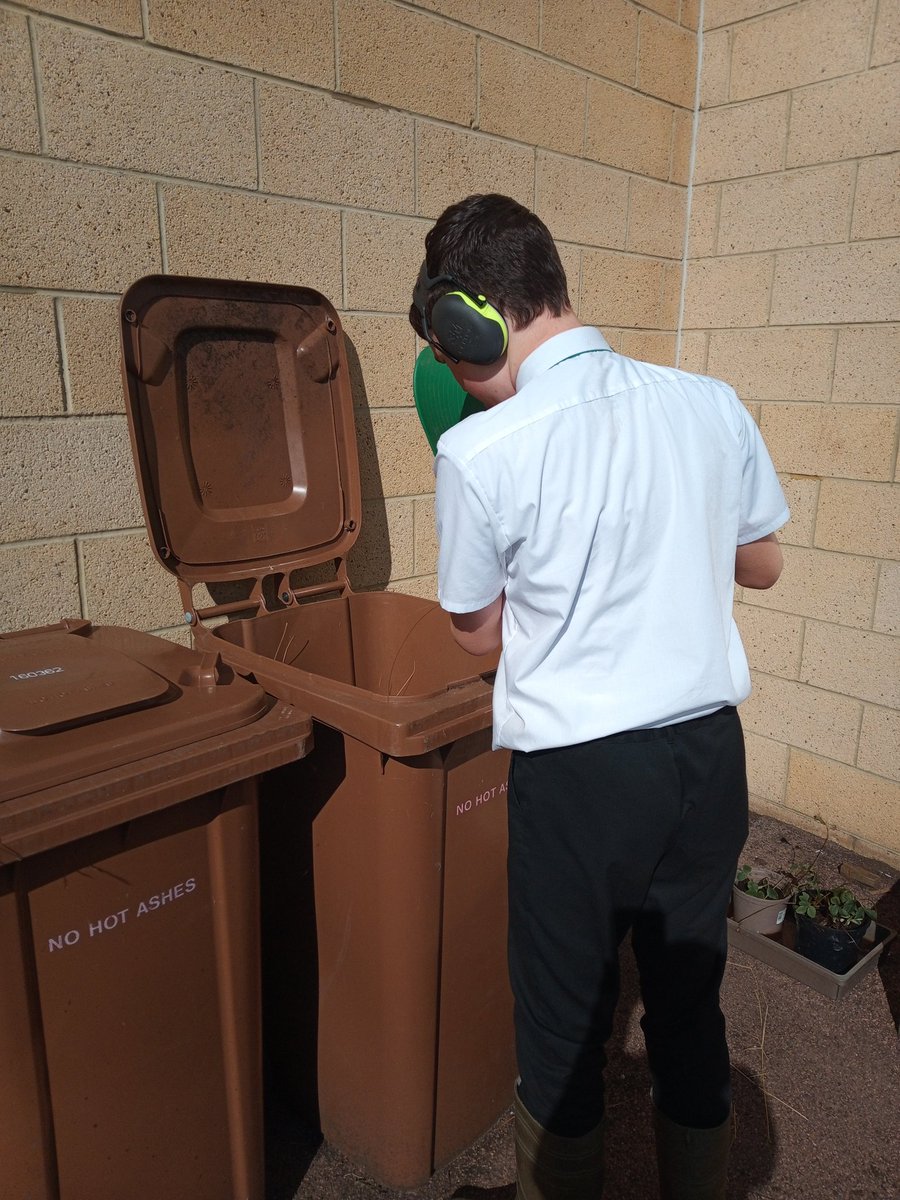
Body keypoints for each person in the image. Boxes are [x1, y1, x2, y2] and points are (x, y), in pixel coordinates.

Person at [409, 194, 788, 1200]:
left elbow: (476, 632)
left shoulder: (479, 453)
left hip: (579, 778)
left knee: (566, 1025)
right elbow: (763, 565)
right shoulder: (710, 400)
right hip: (709, 758)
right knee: (688, 1001)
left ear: (463, 320)